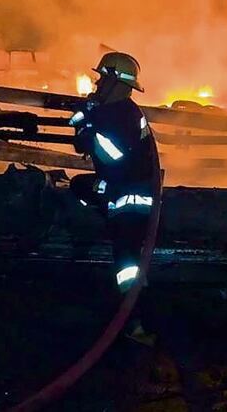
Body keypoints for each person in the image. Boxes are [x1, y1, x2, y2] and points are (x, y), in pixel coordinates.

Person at [69, 51, 160, 294]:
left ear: (115, 83)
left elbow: (116, 159)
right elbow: (79, 139)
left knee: (126, 259)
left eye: (102, 79)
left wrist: (89, 133)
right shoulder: (111, 110)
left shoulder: (124, 116)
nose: (97, 83)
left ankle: (136, 317)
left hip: (131, 196)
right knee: (78, 186)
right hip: (118, 185)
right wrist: (84, 115)